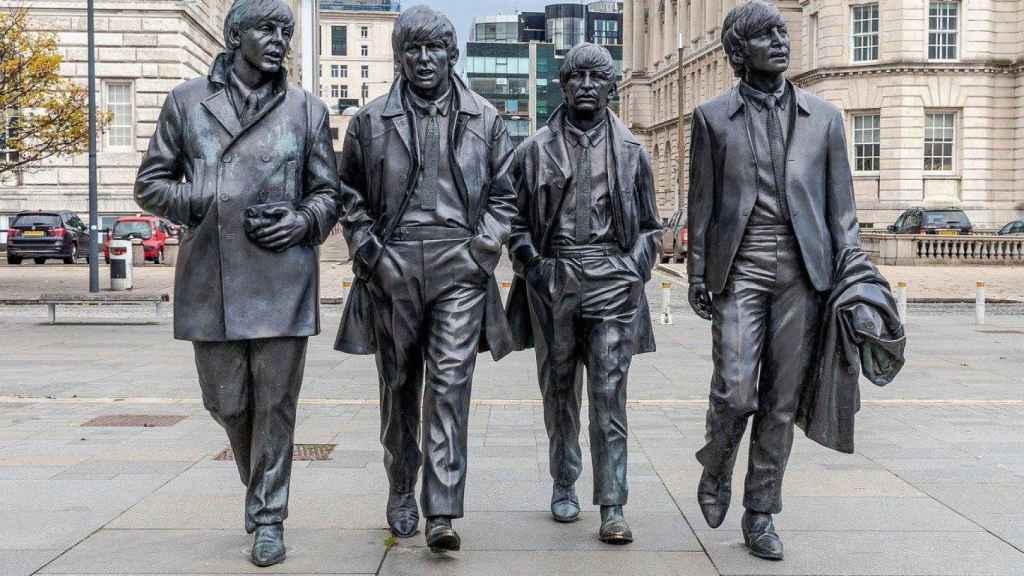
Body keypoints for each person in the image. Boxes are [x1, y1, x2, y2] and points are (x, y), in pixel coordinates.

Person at [134, 0, 339, 566]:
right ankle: (260, 490)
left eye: (287, 32)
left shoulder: (306, 110)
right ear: (234, 35)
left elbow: (329, 194)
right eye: (267, 30)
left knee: (276, 404)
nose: (279, 41)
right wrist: (195, 199)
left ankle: (269, 517)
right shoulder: (187, 102)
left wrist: (303, 220)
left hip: (283, 275)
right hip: (212, 276)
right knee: (226, 400)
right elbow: (150, 184)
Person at [333, 5, 516, 553]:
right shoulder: (369, 121)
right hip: (393, 265)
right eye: (411, 49)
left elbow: (505, 197)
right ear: (399, 57)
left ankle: (442, 509)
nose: (423, 59)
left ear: (452, 53)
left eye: (434, 48)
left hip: (459, 265)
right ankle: (399, 485)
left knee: (450, 386)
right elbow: (349, 197)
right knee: (399, 386)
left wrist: (480, 250)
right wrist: (371, 254)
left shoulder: (487, 118)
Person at [686, 0, 860, 561]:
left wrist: (850, 276)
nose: (780, 42)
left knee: (780, 401)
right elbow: (703, 203)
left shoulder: (825, 119)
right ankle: (715, 462)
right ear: (739, 52)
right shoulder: (712, 118)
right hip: (740, 267)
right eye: (764, 36)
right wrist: (695, 273)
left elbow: (843, 213)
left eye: (782, 33)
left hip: (803, 273)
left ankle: (761, 513)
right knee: (736, 391)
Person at [504, 42, 661, 545]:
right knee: (559, 393)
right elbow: (512, 218)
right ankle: (564, 481)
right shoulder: (531, 151)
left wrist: (631, 269)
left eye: (597, 78)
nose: (587, 86)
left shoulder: (633, 151)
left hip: (612, 280)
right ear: (563, 85)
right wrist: (533, 265)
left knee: (609, 396)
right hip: (556, 279)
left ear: (611, 87)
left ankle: (613, 502)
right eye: (577, 78)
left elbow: (651, 228)